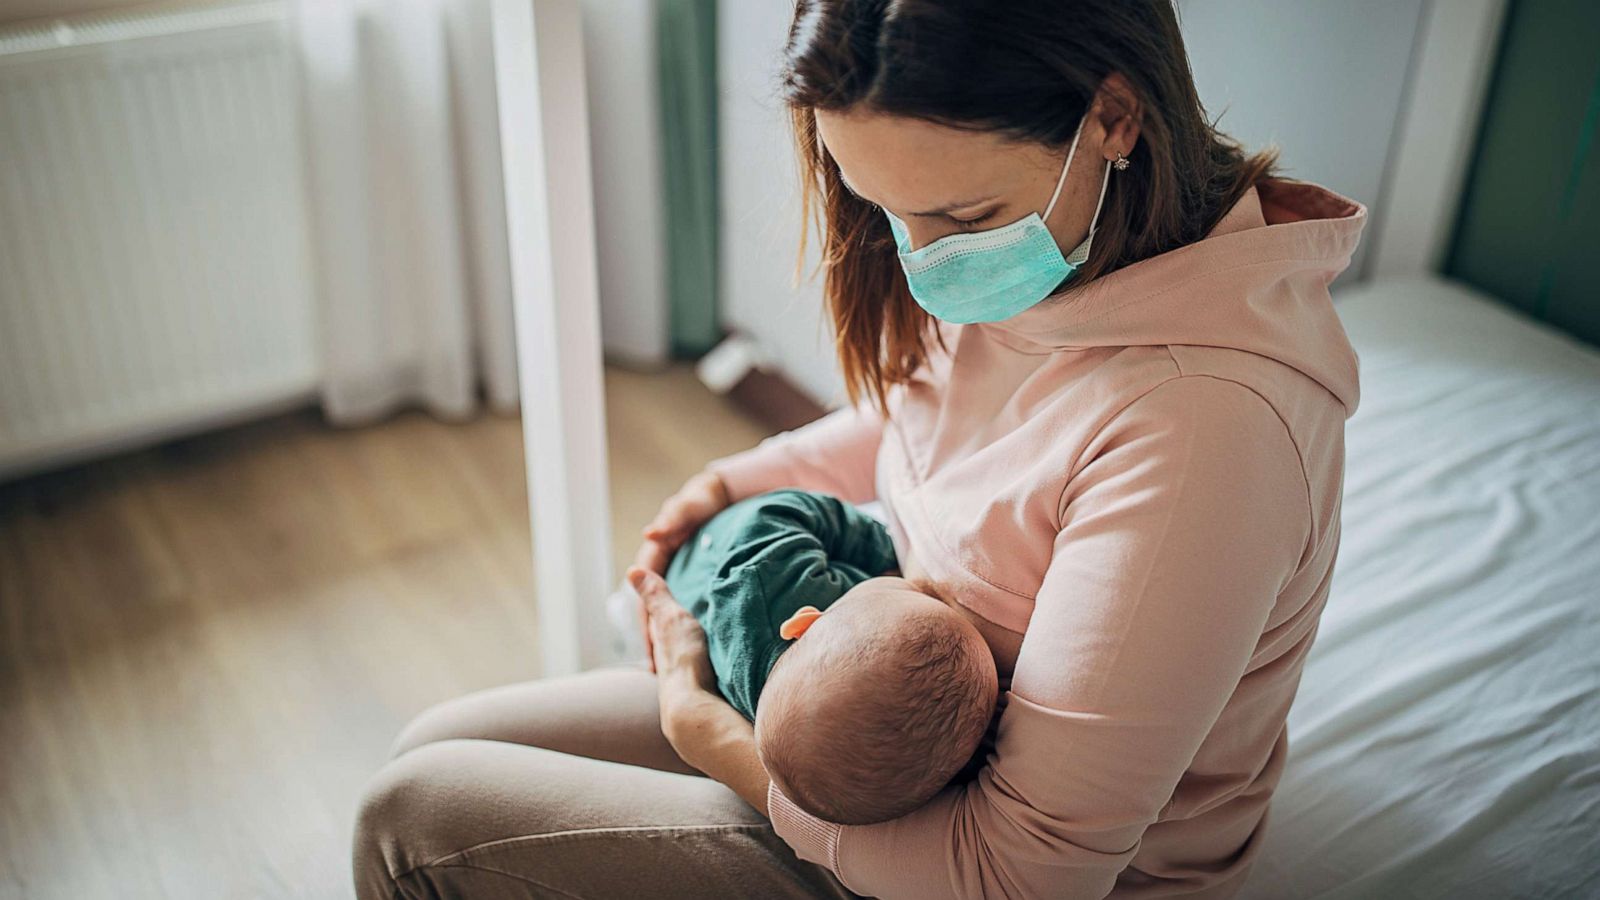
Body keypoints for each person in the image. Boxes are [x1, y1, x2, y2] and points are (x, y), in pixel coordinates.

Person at [352, 1, 1363, 897]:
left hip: (959, 859)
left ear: (1111, 117)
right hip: (866, 747)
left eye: (961, 218)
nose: (920, 261)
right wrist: (739, 479)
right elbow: (942, 420)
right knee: (429, 747)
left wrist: (723, 746)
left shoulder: (1204, 434)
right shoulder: (1066, 252)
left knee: (413, 821)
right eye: (884, 208)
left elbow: (1020, 875)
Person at [662, 487, 999, 825]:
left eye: (905, 589)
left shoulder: (770, 587)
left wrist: (882, 549)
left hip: (694, 566)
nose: (919, 585)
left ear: (805, 622)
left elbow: (770, 515)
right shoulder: (830, 743)